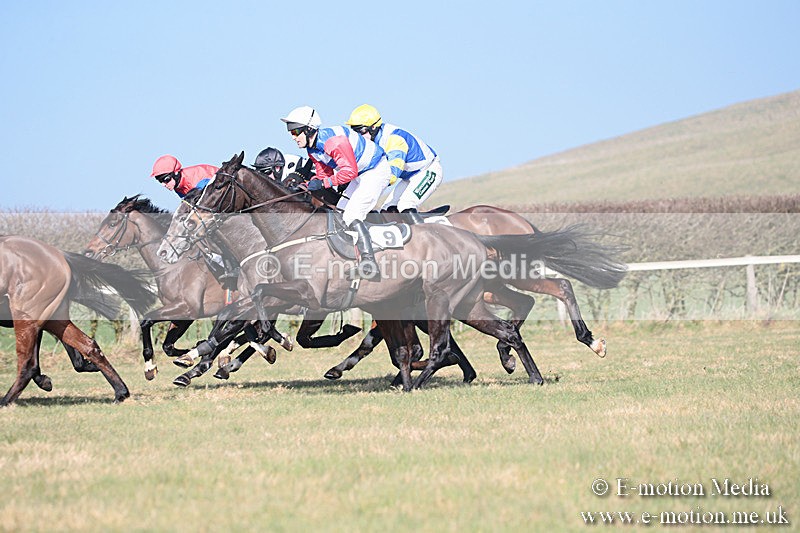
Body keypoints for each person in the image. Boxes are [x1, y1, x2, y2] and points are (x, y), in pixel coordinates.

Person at [281, 105, 392, 280]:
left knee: (351, 215)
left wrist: (323, 182)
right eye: (290, 133)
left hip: (375, 171)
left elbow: (349, 172)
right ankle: (353, 256)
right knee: (339, 212)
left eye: (295, 132)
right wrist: (308, 185)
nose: (292, 137)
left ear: (309, 130)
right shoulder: (312, 149)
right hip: (361, 174)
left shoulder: (333, 142)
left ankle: (370, 263)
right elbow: (323, 175)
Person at [345, 104, 442, 224]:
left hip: (428, 171)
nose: (358, 136)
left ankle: (429, 236)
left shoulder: (395, 139)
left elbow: (391, 175)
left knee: (406, 205)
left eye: (361, 131)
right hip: (409, 178)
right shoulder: (371, 140)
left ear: (374, 127)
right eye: (355, 131)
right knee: (387, 211)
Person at [150, 155, 219, 198]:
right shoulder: (177, 188)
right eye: (160, 181)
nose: (164, 185)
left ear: (176, 173)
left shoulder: (198, 181)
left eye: (166, 179)